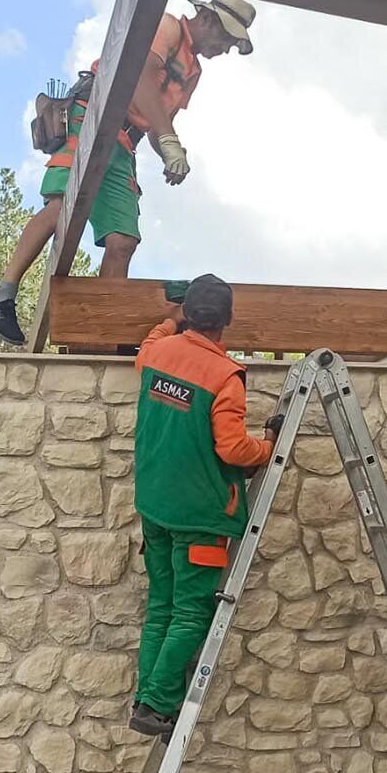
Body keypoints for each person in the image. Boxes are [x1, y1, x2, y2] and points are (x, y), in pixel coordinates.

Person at [0, 0, 259, 344]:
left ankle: (102, 329)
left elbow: (160, 122)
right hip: (92, 118)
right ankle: (3, 295)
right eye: (227, 38)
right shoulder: (167, 27)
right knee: (62, 208)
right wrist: (168, 138)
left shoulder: (193, 73)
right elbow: (140, 78)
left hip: (125, 142)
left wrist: (170, 151)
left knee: (122, 241)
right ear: (207, 18)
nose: (226, 48)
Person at [127, 274, 277, 738]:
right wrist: (268, 447)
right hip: (200, 515)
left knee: (162, 605)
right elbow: (232, 448)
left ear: (188, 313)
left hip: (155, 504)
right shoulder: (224, 374)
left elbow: (150, 341)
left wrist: (171, 318)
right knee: (191, 612)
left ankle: (146, 699)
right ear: (227, 319)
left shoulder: (157, 354)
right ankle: (156, 703)